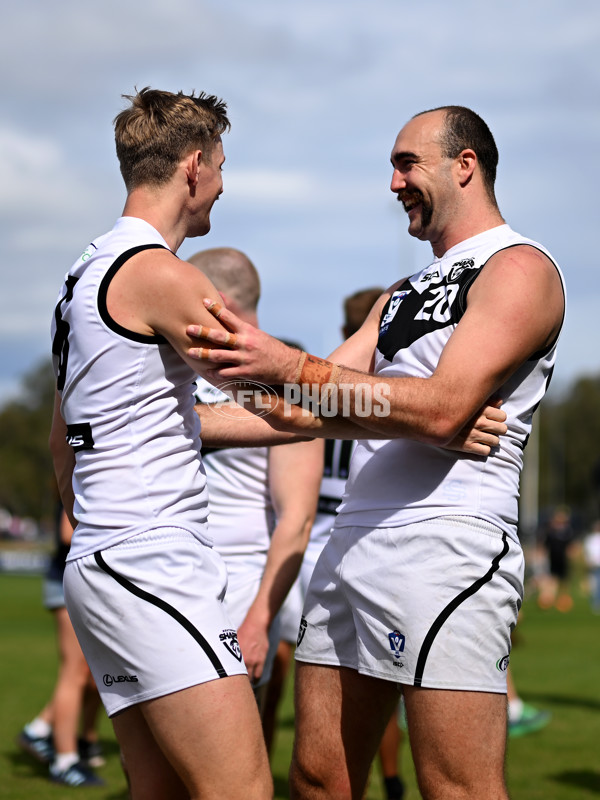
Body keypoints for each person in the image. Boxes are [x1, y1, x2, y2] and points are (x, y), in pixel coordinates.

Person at [186, 105, 565, 800]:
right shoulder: (397, 297)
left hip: (445, 546)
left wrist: (297, 367)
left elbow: (446, 404)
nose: (393, 183)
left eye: (406, 163)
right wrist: (182, 420)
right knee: (317, 779)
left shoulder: (520, 268)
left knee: (455, 786)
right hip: (351, 546)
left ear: (465, 165)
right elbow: (307, 410)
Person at [49, 87, 273, 799]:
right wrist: (411, 408)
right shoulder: (161, 274)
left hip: (106, 560)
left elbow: (63, 443)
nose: (224, 185)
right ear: (194, 166)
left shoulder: (81, 276)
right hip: (153, 561)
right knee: (243, 791)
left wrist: (102, 533)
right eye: (223, 166)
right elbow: (285, 388)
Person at [264, 288, 407, 800]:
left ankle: (257, 767)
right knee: (378, 677)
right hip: (362, 531)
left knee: (279, 666)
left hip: (312, 535)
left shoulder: (323, 375)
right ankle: (390, 780)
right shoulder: (393, 382)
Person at [188, 247, 322, 707]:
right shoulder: (183, 366)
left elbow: (297, 519)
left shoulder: (283, 376)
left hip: (239, 592)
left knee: (227, 763)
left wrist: (258, 621)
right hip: (170, 580)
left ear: (215, 300)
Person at [17, 504, 105, 787]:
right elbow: (68, 534)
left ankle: (45, 730)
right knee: (75, 671)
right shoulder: (78, 471)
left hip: (85, 582)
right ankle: (64, 761)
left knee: (91, 673)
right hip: (68, 580)